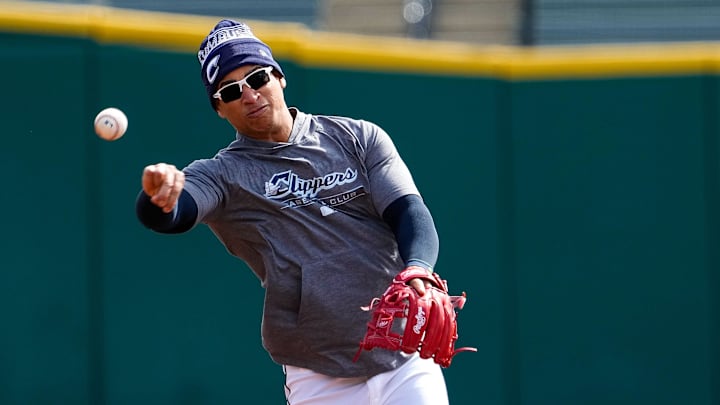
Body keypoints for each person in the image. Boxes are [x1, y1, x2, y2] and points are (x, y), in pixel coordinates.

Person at [136, 19, 449, 404]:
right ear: (219, 108)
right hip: (318, 372)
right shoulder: (223, 175)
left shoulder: (357, 138)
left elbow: (407, 210)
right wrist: (157, 198)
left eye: (257, 77)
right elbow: (174, 214)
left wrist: (419, 266)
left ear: (279, 77)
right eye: (231, 90)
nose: (249, 94)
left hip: (403, 354)